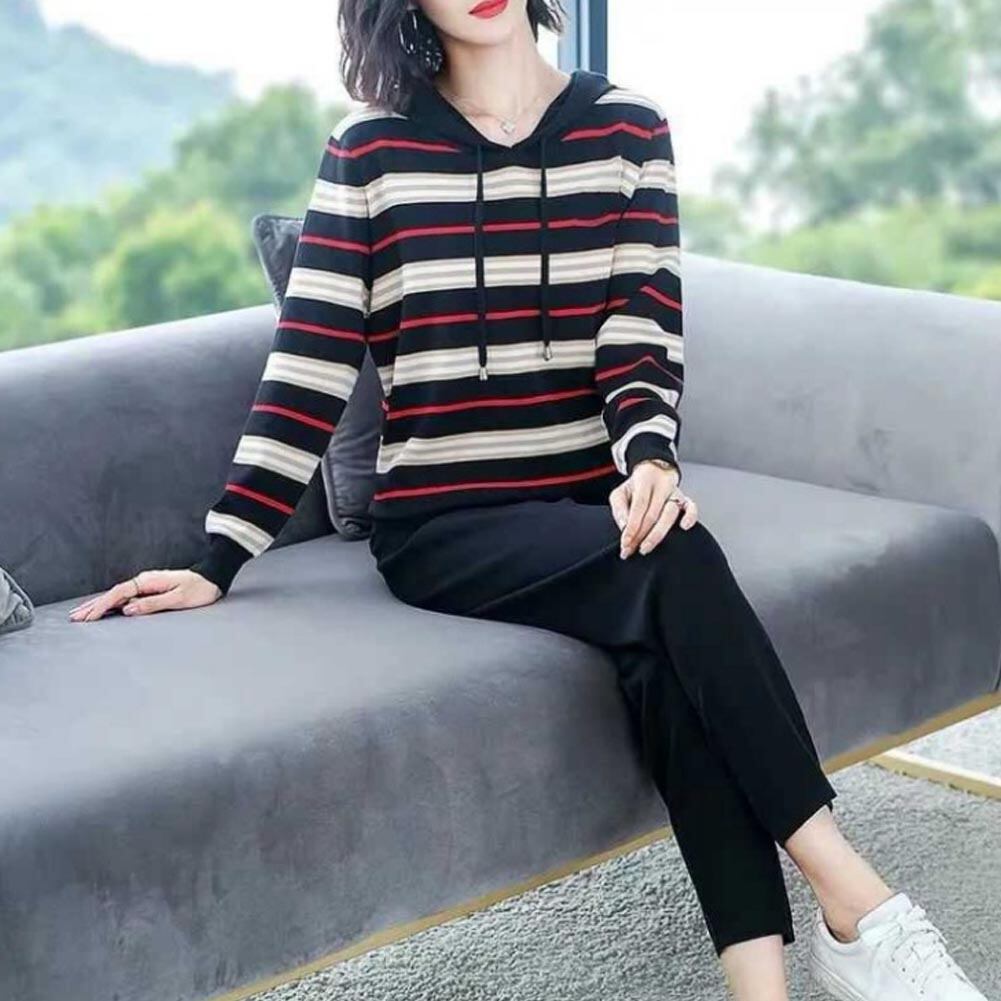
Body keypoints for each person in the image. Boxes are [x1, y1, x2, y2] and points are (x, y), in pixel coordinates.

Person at [68, 2, 990, 999]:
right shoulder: (371, 152)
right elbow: (310, 365)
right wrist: (221, 555)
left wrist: (649, 459)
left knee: (665, 648)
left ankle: (759, 986)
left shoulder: (627, 128)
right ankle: (856, 902)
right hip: (442, 523)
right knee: (674, 558)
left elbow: (637, 333)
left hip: (584, 502)